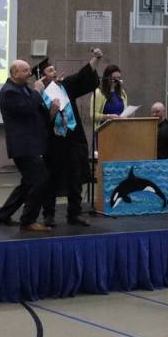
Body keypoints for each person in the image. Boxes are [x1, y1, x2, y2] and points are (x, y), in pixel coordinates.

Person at [39, 48, 103, 227]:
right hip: (54, 143)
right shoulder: (40, 95)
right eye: (50, 70)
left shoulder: (65, 86)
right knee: (51, 180)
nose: (54, 72)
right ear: (42, 77)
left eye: (54, 69)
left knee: (76, 179)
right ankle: (49, 215)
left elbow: (83, 77)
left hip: (74, 140)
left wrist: (96, 58)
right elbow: (41, 120)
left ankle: (74, 214)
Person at [0, 60, 58, 232]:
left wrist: (52, 110)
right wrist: (37, 91)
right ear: (15, 73)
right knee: (41, 179)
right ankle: (28, 220)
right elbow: (28, 109)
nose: (30, 73)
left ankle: (2, 215)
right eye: (26, 70)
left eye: (29, 70)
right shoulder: (9, 92)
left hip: (33, 144)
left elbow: (37, 112)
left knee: (28, 183)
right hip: (22, 145)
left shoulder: (24, 89)